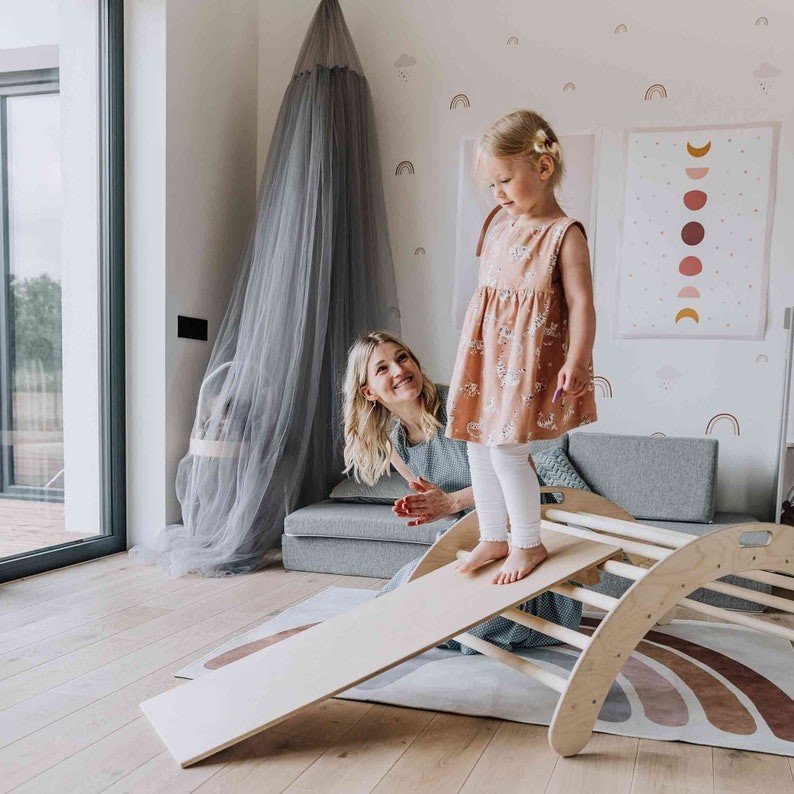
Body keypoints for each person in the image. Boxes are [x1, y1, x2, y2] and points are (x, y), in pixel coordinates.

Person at [341, 330, 580, 655]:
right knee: (402, 593)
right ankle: (362, 638)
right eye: (382, 368)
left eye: (402, 358)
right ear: (369, 391)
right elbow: (450, 510)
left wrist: (451, 501)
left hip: (522, 530)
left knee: (466, 617)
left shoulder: (461, 404)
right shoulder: (396, 445)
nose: (399, 370)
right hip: (472, 536)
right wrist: (433, 507)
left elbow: (523, 472)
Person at [446, 109, 598, 585]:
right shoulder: (501, 227)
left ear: (543, 168)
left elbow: (581, 303)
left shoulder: (564, 234)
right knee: (476, 441)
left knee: (507, 449)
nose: (498, 193)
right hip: (488, 355)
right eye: (492, 185)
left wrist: (577, 360)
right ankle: (493, 535)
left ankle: (528, 542)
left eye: (506, 180)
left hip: (524, 360)